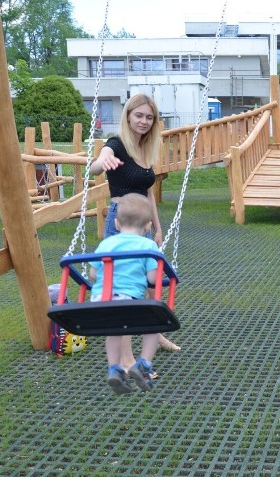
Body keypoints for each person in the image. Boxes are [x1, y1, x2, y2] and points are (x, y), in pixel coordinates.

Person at [90, 93, 181, 361]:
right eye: (138, 115)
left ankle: (154, 330)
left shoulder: (144, 149)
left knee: (151, 283)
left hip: (143, 223)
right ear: (128, 115)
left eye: (149, 117)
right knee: (126, 290)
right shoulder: (116, 145)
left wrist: (158, 227)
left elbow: (148, 192)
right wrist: (101, 163)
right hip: (121, 221)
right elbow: (96, 166)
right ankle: (127, 360)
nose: (143, 121)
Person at [88, 193, 162, 394]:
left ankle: (115, 368)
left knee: (114, 331)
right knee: (154, 326)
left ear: (117, 223)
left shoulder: (107, 244)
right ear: (148, 225)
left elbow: (93, 274)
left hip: (100, 301)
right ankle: (144, 364)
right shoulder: (148, 246)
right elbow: (154, 280)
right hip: (128, 300)